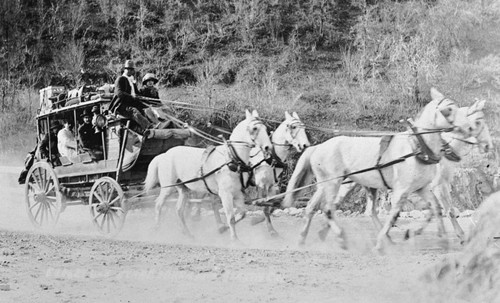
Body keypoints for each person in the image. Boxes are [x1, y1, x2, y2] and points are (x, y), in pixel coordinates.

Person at [108, 60, 152, 133]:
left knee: (146, 108)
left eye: (131, 69)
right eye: (128, 69)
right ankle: (148, 127)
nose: (129, 71)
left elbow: (136, 93)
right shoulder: (120, 79)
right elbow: (119, 93)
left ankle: (148, 127)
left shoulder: (132, 81)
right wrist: (132, 97)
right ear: (125, 69)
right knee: (134, 111)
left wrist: (141, 97)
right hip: (121, 106)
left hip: (131, 103)